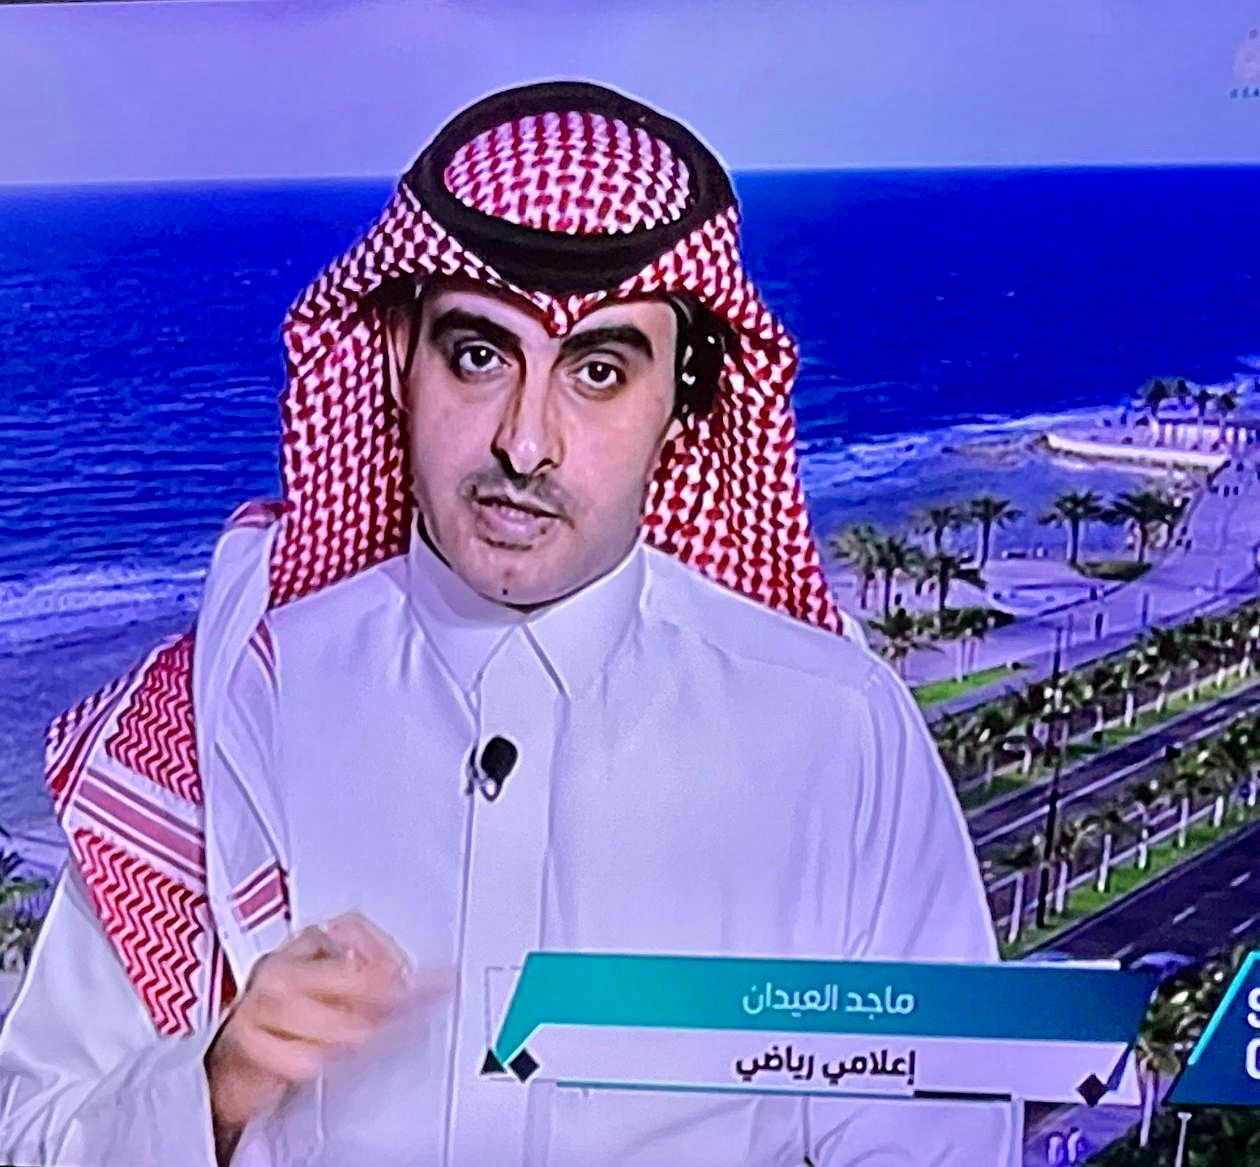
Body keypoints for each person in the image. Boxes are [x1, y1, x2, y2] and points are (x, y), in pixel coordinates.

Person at [0, 81, 1008, 1165]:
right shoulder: (236, 710)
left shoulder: (836, 732)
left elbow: (940, 1126)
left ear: (683, 403)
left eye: (600, 372)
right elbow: (32, 1132)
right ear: (400, 357)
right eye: (480, 356)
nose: (525, 443)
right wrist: (220, 1081)